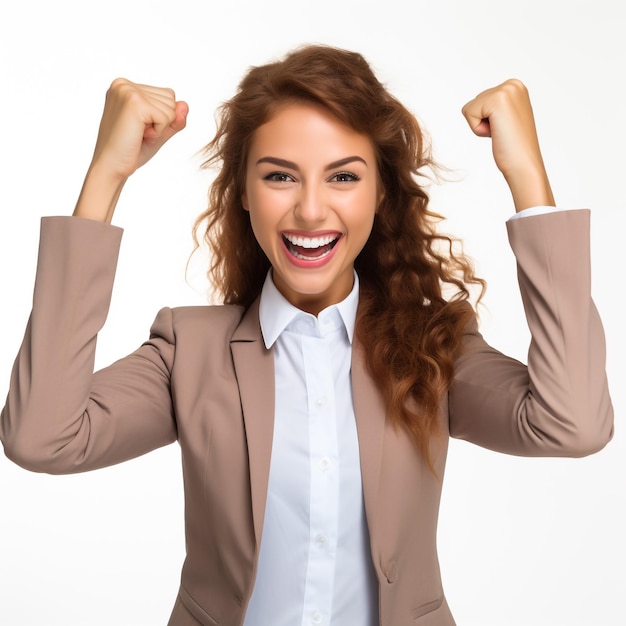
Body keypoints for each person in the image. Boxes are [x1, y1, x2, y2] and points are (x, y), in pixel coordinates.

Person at [0, 45, 613, 626]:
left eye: (343, 178)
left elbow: (571, 423)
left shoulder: (433, 347)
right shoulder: (190, 351)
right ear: (243, 192)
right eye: (280, 177)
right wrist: (108, 173)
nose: (312, 211)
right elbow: (41, 439)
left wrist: (527, 177)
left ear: (381, 193)